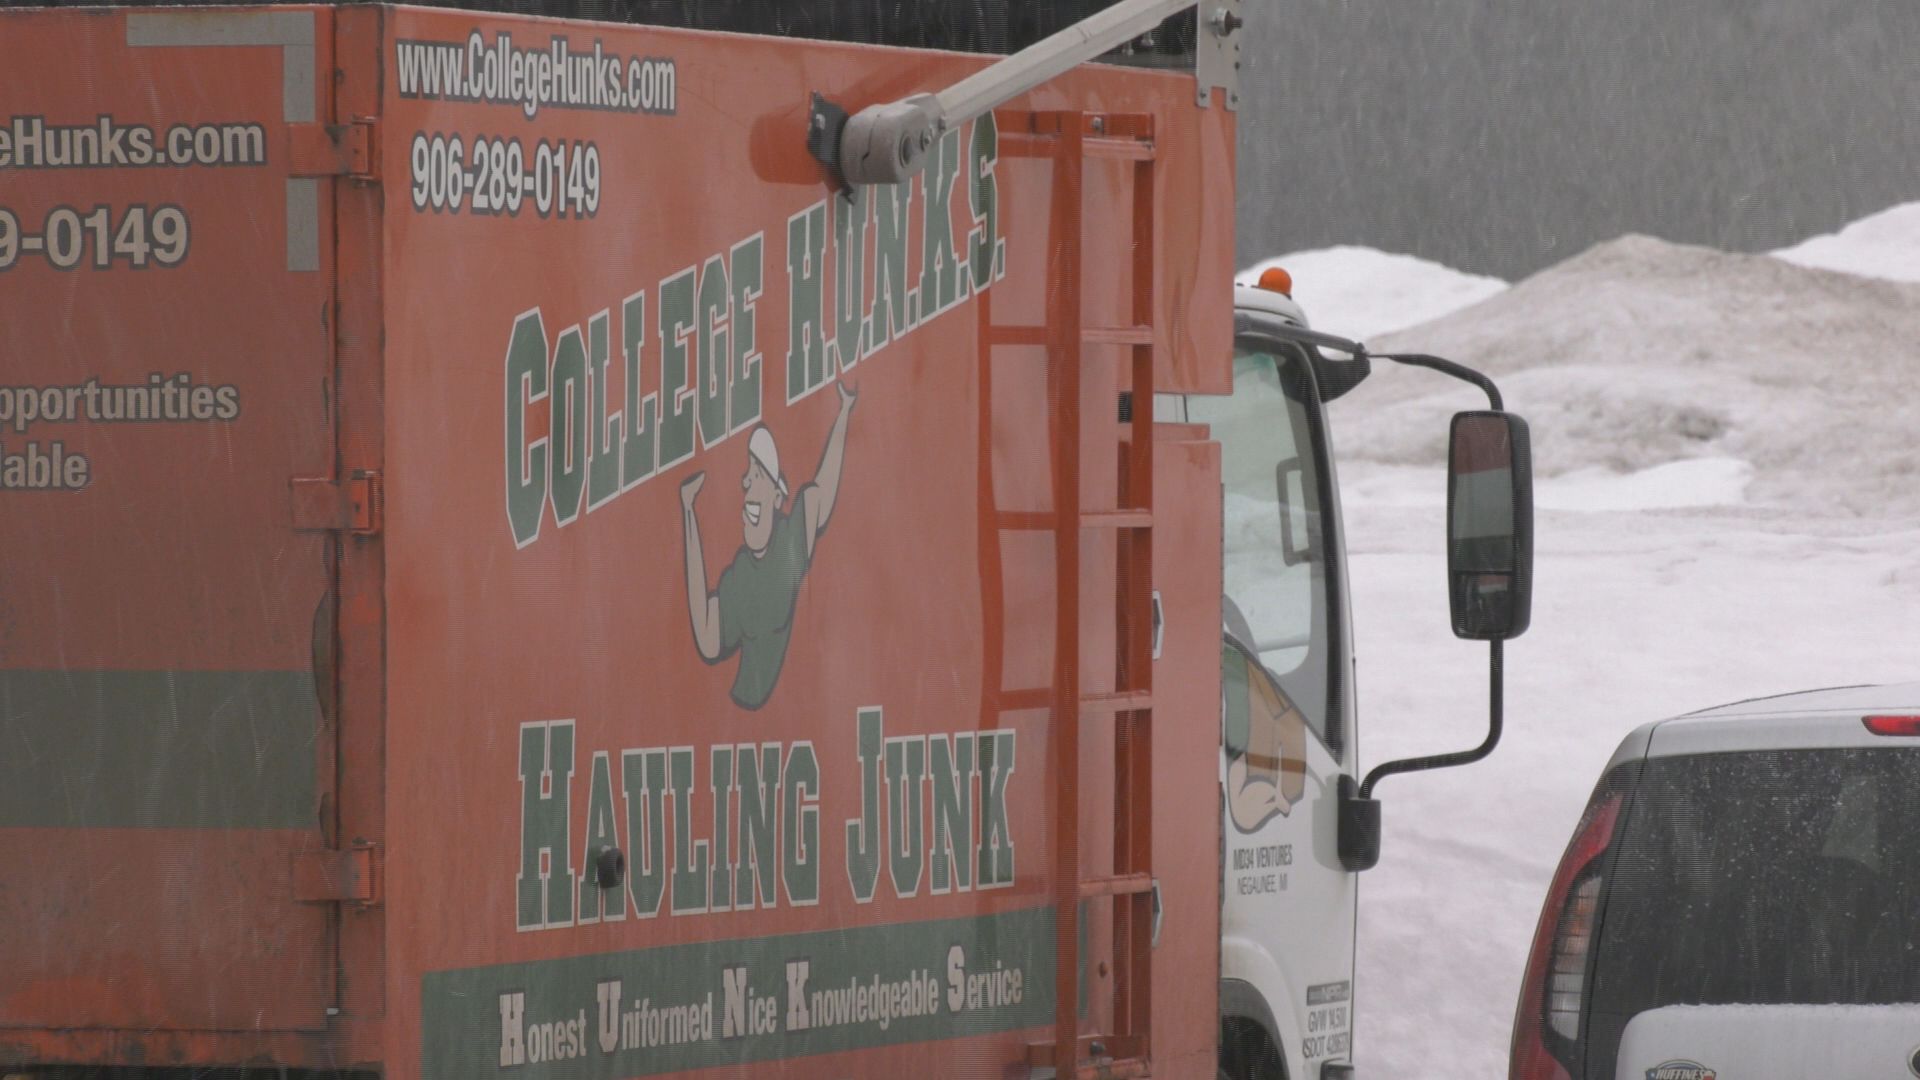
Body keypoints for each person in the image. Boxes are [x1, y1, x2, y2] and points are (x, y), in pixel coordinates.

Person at [680, 381, 856, 709]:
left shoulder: (790, 541)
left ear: (777, 497)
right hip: (740, 709)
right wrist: (688, 511)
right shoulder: (739, 578)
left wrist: (844, 411)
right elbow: (705, 635)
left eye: (758, 475)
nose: (747, 483)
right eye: (748, 478)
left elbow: (823, 488)